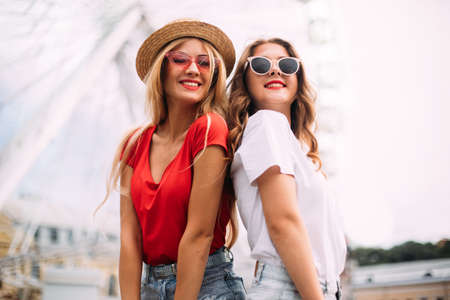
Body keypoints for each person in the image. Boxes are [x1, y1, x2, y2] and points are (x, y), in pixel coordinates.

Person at [97, 20, 245, 300]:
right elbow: (130, 241)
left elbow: (199, 235)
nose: (193, 69)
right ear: (160, 69)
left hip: (207, 286)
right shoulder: (134, 144)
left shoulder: (209, 129)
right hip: (151, 286)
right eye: (180, 59)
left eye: (205, 63)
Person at [227, 38, 347, 300]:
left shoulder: (288, 143)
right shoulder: (265, 124)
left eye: (287, 64)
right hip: (296, 288)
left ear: (298, 76)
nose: (274, 70)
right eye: (260, 65)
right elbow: (282, 223)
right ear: (244, 81)